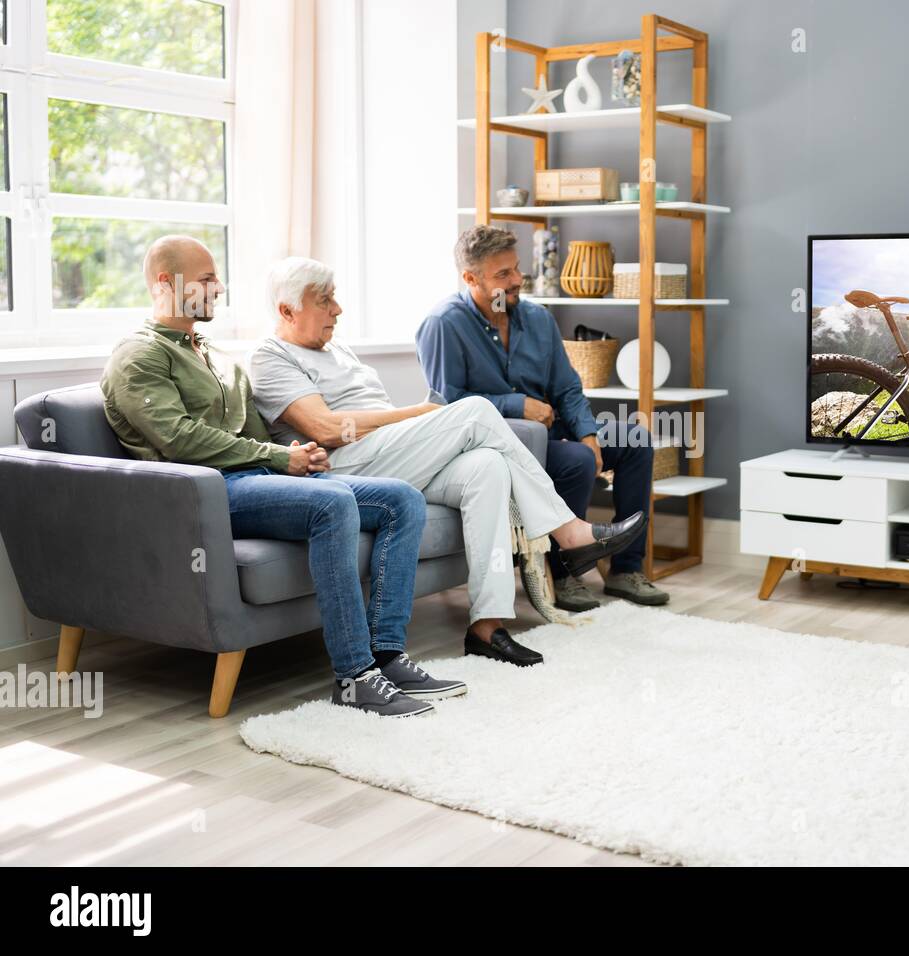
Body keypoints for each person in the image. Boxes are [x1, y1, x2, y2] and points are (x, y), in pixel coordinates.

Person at [101, 235, 451, 718]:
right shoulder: (139, 356)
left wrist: (297, 452)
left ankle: (387, 655)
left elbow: (254, 432)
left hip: (252, 483)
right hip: (203, 492)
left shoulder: (218, 358)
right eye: (206, 280)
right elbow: (180, 440)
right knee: (333, 505)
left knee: (402, 500)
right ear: (166, 282)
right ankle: (354, 675)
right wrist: (276, 457)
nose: (218, 288)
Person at [249, 257, 645, 668]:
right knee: (473, 410)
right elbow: (328, 428)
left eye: (335, 298)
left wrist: (417, 419)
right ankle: (570, 533)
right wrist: (421, 414)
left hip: (386, 455)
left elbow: (371, 420)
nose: (338, 309)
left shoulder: (338, 350)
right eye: (325, 301)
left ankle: (487, 629)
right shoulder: (270, 355)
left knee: (488, 466)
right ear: (286, 310)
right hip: (344, 467)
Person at [416, 225, 667, 612]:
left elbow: (567, 387)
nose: (517, 280)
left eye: (516, 269)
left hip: (551, 428)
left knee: (635, 442)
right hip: (499, 442)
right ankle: (565, 572)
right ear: (470, 278)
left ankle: (625, 570)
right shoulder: (443, 325)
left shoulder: (537, 318)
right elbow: (449, 404)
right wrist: (516, 404)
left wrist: (587, 433)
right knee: (578, 462)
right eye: (503, 275)